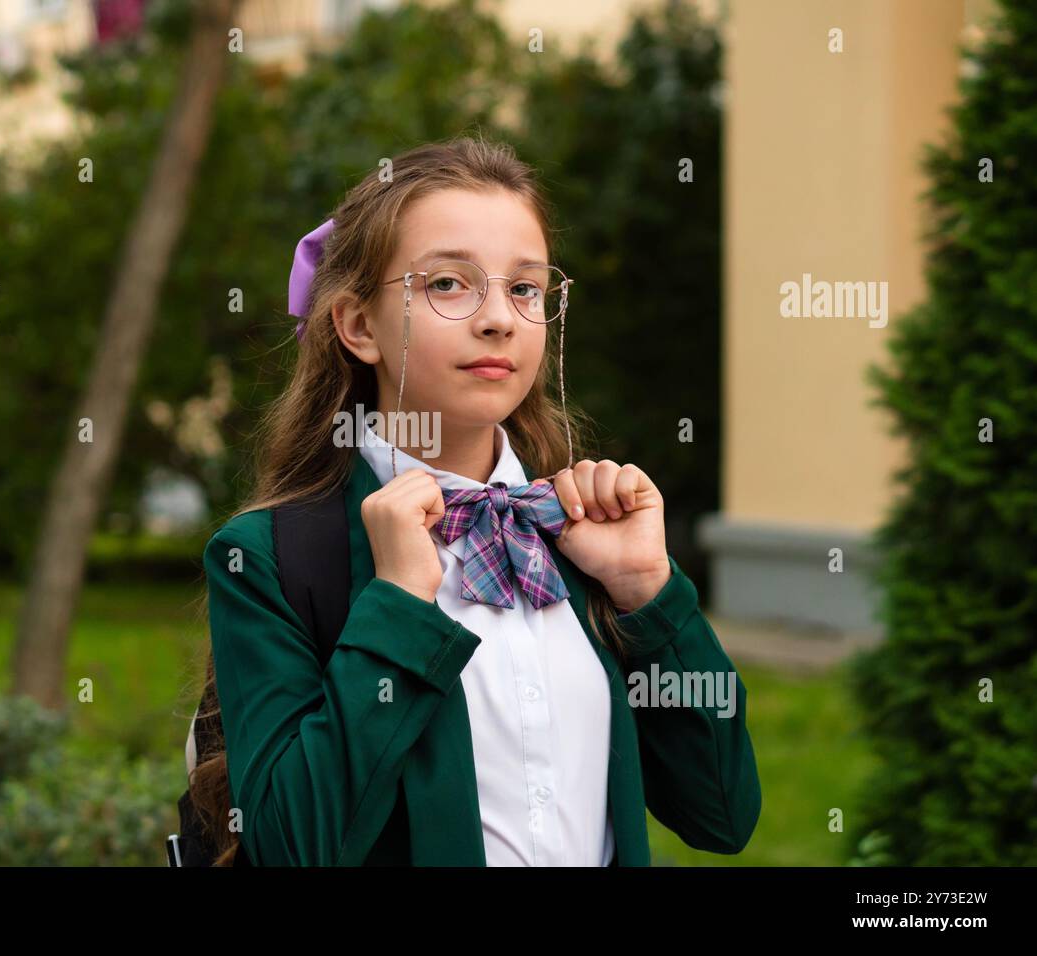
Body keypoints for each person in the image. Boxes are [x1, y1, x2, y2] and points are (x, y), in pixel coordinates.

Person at [192, 134, 760, 866]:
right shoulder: (272, 556)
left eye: (524, 288)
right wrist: (397, 606)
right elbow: (295, 844)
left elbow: (724, 811)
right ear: (359, 325)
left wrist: (650, 595)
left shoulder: (580, 535)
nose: (499, 318)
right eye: (448, 284)